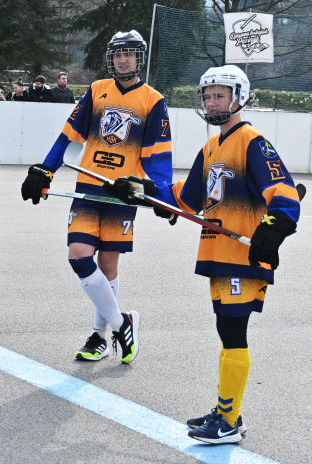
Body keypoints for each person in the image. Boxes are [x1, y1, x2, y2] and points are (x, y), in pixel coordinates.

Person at [108, 65, 300, 444]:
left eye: (220, 95)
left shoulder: (252, 142)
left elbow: (285, 192)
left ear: (239, 97)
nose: (213, 101)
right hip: (217, 253)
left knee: (233, 331)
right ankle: (228, 411)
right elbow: (186, 197)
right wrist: (142, 190)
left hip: (242, 256)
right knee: (225, 330)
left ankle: (227, 423)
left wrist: (274, 227)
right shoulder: (212, 146)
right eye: (208, 95)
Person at [20, 30, 173, 364]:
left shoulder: (152, 100)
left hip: (122, 194)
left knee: (107, 264)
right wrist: (44, 170)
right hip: (89, 187)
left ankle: (100, 336)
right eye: (118, 55)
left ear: (139, 58)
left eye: (129, 54)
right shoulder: (96, 91)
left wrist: (164, 195)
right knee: (79, 256)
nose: (123, 60)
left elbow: (159, 158)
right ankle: (122, 323)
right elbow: (68, 137)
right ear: (111, 58)